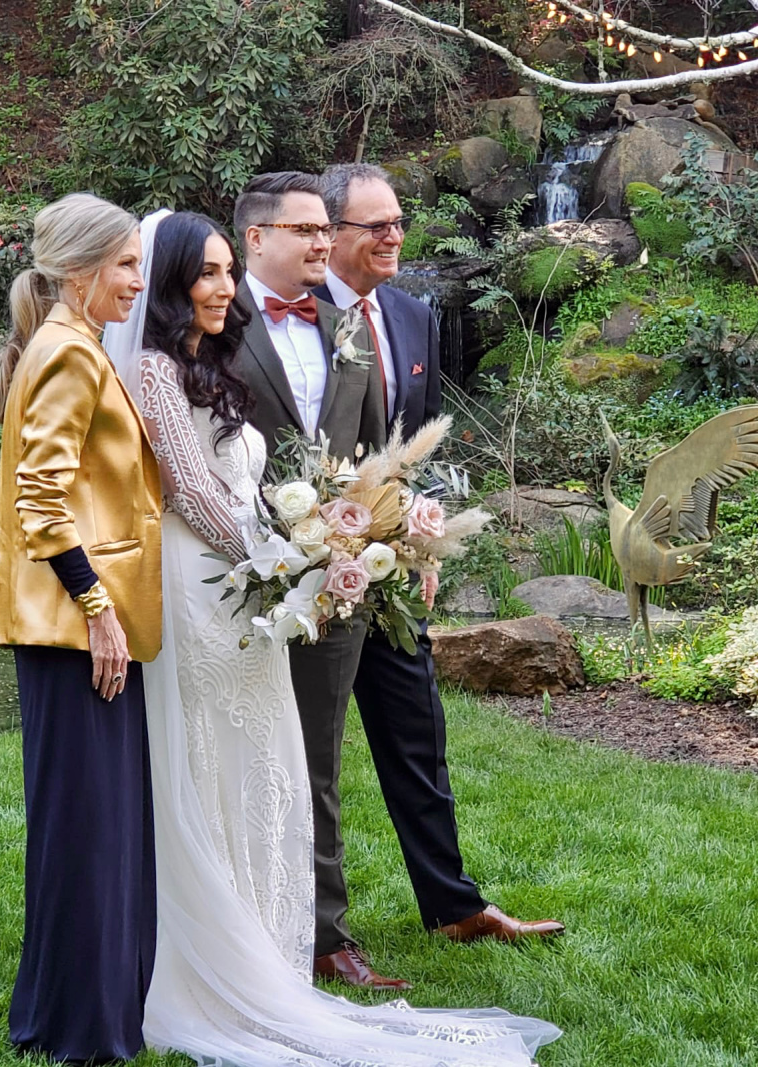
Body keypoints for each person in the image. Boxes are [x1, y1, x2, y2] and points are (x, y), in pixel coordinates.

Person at [104, 206, 561, 1067]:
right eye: (203, 273)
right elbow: (190, 492)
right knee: (212, 765)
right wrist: (295, 560)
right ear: (167, 281)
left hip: (256, 584)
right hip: (206, 590)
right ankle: (210, 956)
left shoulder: (212, 359)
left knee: (269, 763)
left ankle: (274, 945)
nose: (221, 287)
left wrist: (328, 543)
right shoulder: (154, 373)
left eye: (223, 273)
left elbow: (255, 478)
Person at [315, 162, 566, 948]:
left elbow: (411, 453)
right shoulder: (292, 317)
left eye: (398, 222)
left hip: (389, 571)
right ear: (330, 235)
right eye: (376, 225)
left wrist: (422, 544)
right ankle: (319, 928)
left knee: (418, 736)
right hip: (306, 570)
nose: (395, 236)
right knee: (308, 756)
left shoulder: (415, 316)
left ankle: (456, 907)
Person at [0, 192, 161, 1064]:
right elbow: (41, 502)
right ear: (81, 271)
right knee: (91, 832)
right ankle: (83, 1030)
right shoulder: (70, 355)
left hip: (69, 630)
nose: (138, 279)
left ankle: (60, 1019)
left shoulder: (65, 343)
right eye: (125, 263)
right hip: (74, 633)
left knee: (86, 827)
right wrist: (99, 612)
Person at [231, 171, 404, 989]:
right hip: (231, 583)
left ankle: (326, 933)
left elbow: (374, 454)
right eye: (303, 230)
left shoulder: (348, 326)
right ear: (255, 239)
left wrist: (381, 548)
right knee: (236, 750)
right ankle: (236, 916)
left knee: (318, 757)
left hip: (336, 583)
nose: (321, 243)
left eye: (322, 230)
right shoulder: (209, 324)